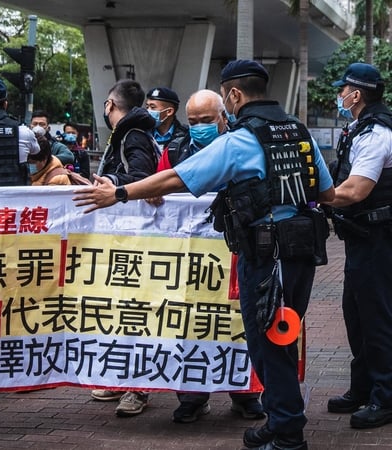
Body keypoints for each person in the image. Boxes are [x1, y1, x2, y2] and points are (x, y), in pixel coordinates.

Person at [74, 60, 334, 450]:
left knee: (268, 344)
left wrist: (119, 193)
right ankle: (281, 420)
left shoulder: (241, 140)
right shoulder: (299, 134)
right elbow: (326, 192)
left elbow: (179, 177)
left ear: (233, 95)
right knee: (283, 335)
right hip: (301, 252)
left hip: (265, 256)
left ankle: (288, 433)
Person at [152, 89, 264, 423]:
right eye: (193, 121)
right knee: (188, 320)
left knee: (238, 318)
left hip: (235, 250)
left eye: (206, 120)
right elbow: (156, 183)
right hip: (188, 258)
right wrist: (150, 196)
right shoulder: (175, 150)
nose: (199, 127)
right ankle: (191, 395)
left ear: (223, 117)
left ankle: (246, 393)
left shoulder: (241, 147)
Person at [323, 62, 392, 430]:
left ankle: (385, 396)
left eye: (342, 90)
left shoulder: (378, 133)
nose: (339, 96)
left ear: (357, 94)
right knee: (357, 314)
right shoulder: (360, 128)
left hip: (378, 241)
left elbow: (356, 190)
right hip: (361, 239)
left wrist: (314, 197)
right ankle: (363, 387)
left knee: (377, 318)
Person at [89, 78, 159, 417]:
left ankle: (139, 387)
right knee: (120, 311)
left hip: (135, 240)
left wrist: (113, 184)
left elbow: (143, 180)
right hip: (122, 240)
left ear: (110, 105)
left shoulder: (133, 136)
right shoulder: (129, 135)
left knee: (136, 312)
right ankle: (122, 377)